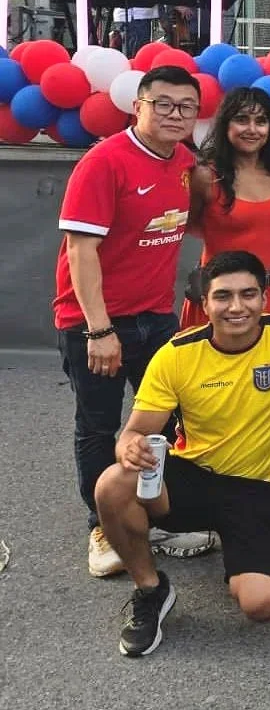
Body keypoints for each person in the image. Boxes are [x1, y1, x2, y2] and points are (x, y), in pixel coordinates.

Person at [92, 252, 270, 656]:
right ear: (204, 303)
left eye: (248, 294)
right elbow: (134, 432)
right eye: (223, 296)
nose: (236, 307)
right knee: (112, 484)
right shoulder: (177, 354)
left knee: (260, 604)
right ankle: (150, 588)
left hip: (259, 487)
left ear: (264, 298)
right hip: (192, 476)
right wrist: (129, 448)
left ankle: (237, 544)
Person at [53, 64, 215, 578]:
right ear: (138, 105)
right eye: (163, 104)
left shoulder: (184, 162)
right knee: (99, 426)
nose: (175, 115)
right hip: (96, 322)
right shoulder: (105, 162)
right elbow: (81, 251)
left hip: (155, 317)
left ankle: (149, 511)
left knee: (162, 422)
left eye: (186, 107)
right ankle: (101, 524)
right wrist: (99, 330)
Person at [180, 86, 270, 330]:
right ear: (225, 125)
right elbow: (190, 225)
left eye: (261, 121)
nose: (252, 129)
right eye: (242, 120)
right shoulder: (205, 176)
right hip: (219, 300)